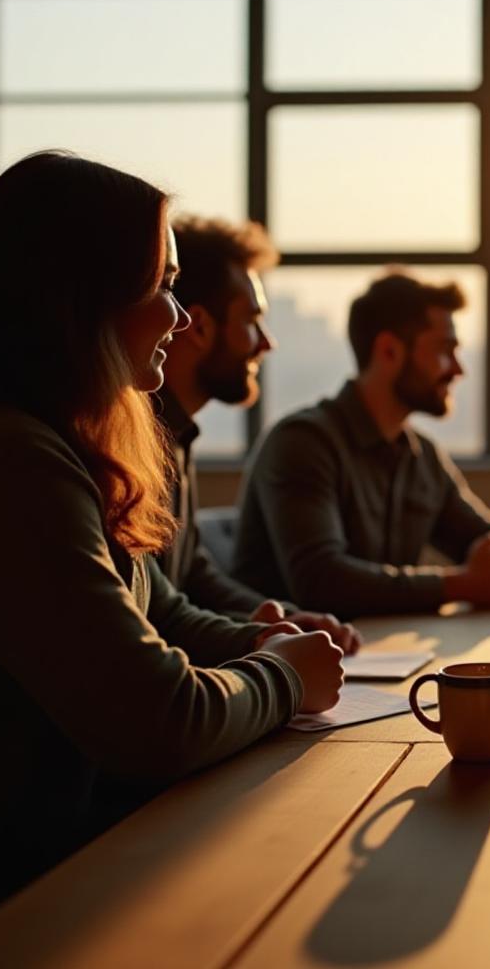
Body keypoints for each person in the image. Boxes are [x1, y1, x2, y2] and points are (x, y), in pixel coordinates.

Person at [0, 152, 345, 964]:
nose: (179, 316)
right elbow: (159, 723)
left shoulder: (42, 444)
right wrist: (283, 676)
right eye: (160, 286)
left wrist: (255, 641)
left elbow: (155, 607)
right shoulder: (2, 463)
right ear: (80, 299)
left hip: (55, 856)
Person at [231, 271, 490, 616]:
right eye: (444, 350)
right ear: (389, 351)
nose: (458, 369)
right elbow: (320, 582)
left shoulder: (421, 454)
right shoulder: (302, 443)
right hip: (288, 661)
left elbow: (486, 540)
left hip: (380, 657)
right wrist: (463, 584)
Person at [156, 215, 360, 651]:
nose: (266, 343)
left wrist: (282, 618)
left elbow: (190, 574)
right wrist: (260, 638)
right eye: (252, 320)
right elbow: (156, 616)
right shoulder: (134, 443)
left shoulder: (177, 436)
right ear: (200, 325)